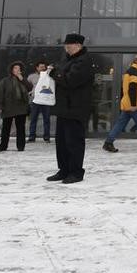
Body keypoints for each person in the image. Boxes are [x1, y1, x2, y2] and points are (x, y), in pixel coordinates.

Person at [46, 33, 94, 184]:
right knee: (61, 142)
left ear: (78, 45)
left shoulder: (84, 61)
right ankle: (64, 170)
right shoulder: (67, 59)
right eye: (65, 45)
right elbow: (61, 75)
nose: (66, 47)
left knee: (74, 142)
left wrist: (55, 73)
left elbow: (70, 81)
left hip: (76, 108)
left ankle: (76, 172)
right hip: (63, 107)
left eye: (69, 45)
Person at [0, 61, 32, 152]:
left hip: (21, 108)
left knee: (20, 128)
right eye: (15, 68)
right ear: (11, 70)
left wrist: (22, 79)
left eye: (19, 69)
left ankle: (20, 146)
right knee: (6, 128)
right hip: (8, 107)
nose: (17, 70)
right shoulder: (5, 81)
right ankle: (3, 146)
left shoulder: (23, 80)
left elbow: (30, 88)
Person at [27, 60, 51, 143]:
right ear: (37, 68)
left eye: (44, 67)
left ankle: (47, 137)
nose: (42, 68)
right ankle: (32, 136)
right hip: (35, 100)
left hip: (45, 100)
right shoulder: (31, 76)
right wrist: (30, 93)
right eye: (41, 67)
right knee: (33, 119)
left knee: (46, 119)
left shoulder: (49, 75)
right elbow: (27, 87)